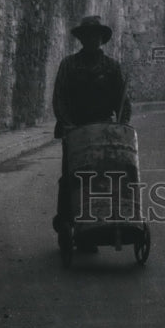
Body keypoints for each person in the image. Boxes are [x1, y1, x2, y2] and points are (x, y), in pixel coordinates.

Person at [52, 15, 131, 237]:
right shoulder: (68, 65)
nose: (91, 40)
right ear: (82, 39)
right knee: (71, 177)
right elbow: (59, 98)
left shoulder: (112, 67)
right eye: (87, 36)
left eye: (95, 36)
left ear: (101, 39)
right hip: (75, 131)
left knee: (103, 176)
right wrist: (67, 126)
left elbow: (123, 103)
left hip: (104, 131)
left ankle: (98, 224)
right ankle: (65, 222)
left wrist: (122, 125)